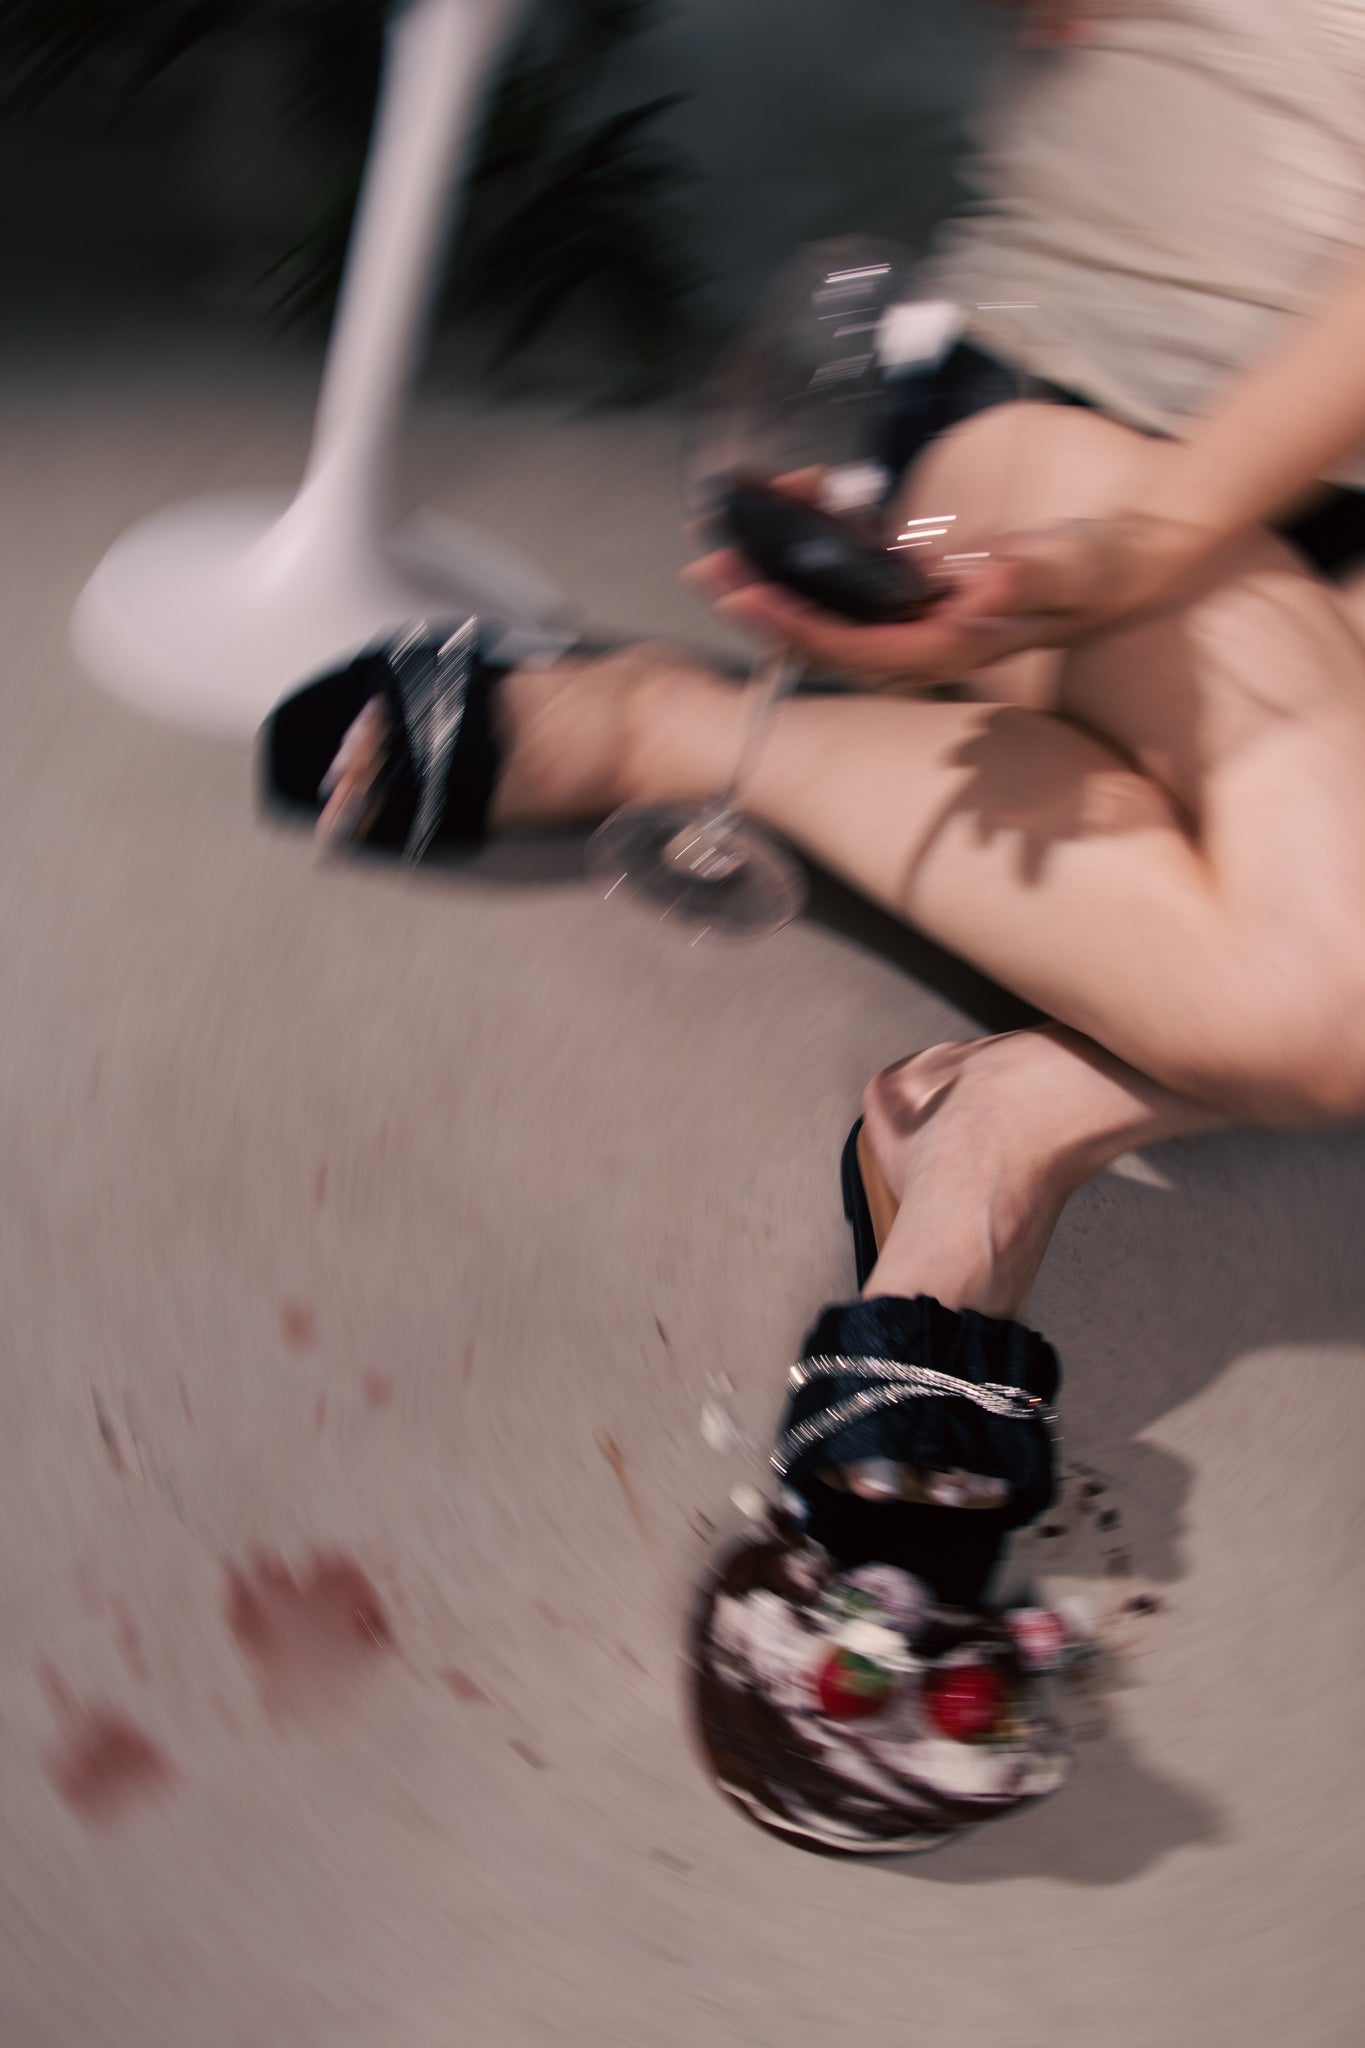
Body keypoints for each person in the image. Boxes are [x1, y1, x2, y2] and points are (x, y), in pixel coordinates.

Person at [264, 0, 1365, 1845]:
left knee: (1313, 952)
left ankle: (1005, 1121)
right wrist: (1135, 546)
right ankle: (676, 731)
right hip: (1078, 448)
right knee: (1328, 997)